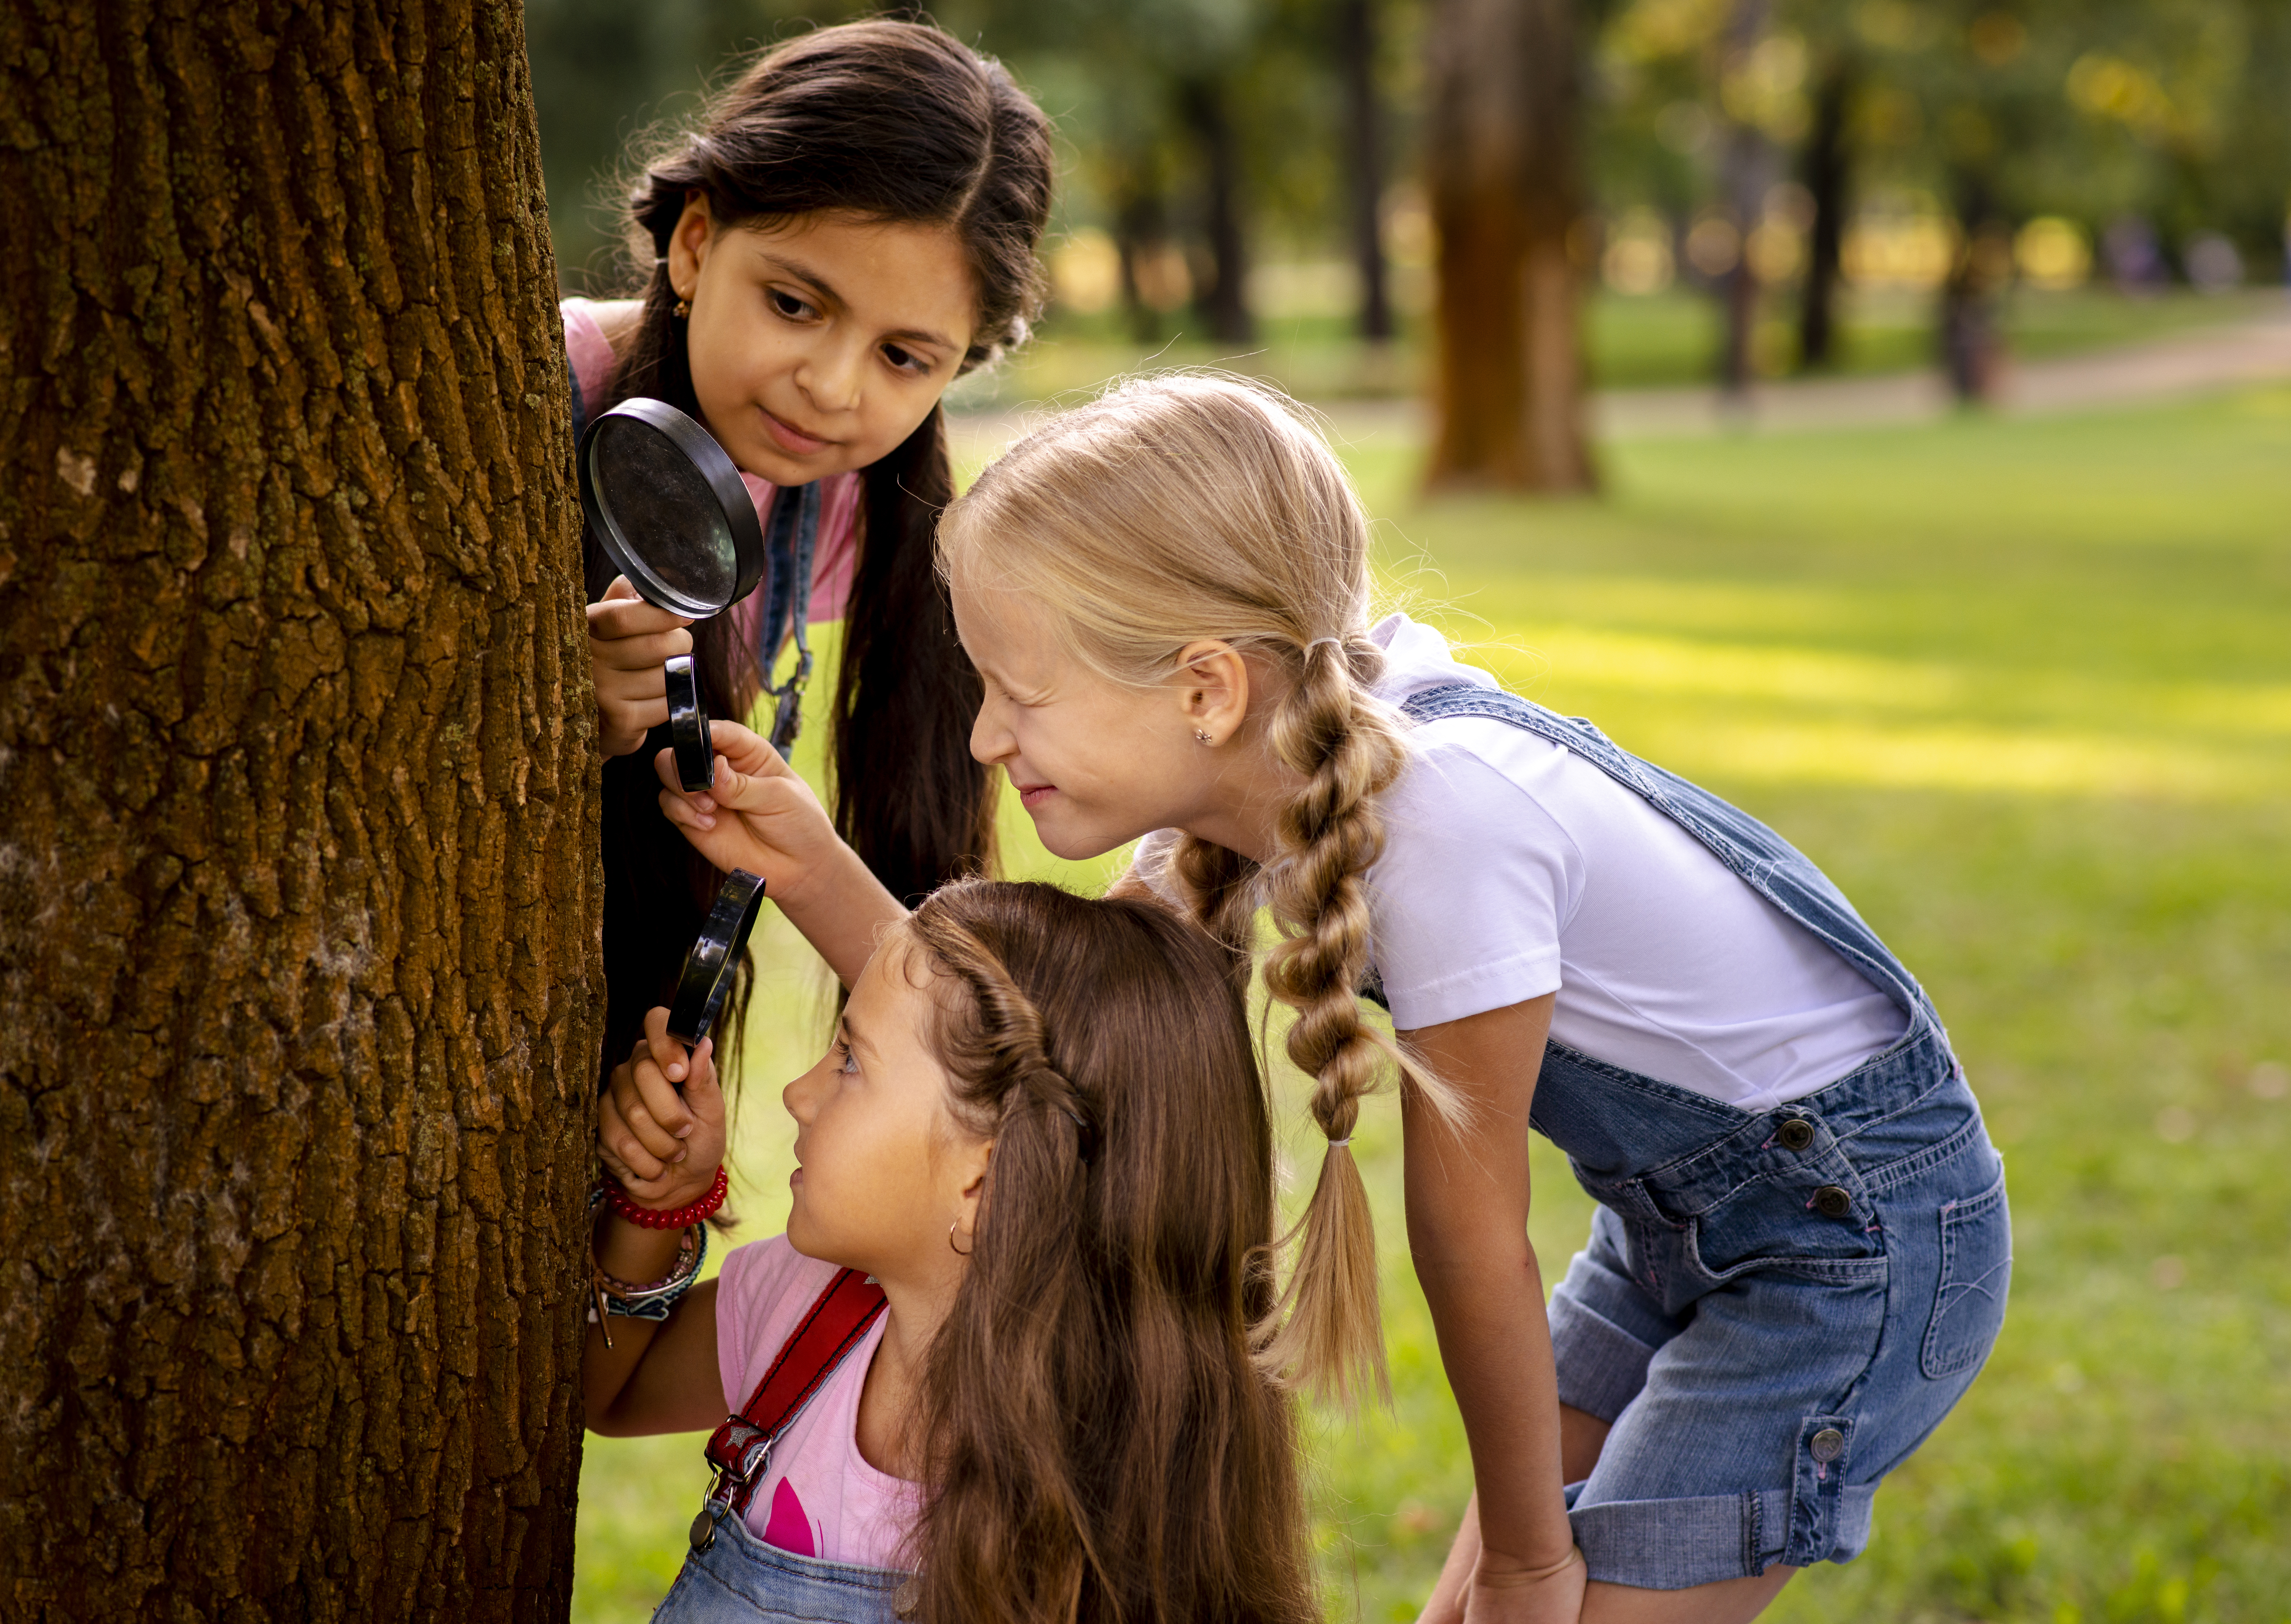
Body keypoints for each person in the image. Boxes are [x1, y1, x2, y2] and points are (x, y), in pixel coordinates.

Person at [659, 374, 2013, 1624]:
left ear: (1203, 688)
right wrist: (807, 861)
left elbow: (1469, 1237)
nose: (984, 739)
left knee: (1581, 1600)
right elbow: (1007, 1058)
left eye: (1019, 695)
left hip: (1851, 1242)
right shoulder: (1273, 766)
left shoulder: (1446, 819)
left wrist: (1533, 1554)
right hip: (1677, 1218)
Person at [581, 879, 1320, 1624]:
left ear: (985, 1176)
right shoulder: (809, 1308)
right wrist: (658, 1205)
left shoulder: (1111, 1497)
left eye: (848, 1062)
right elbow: (610, 1388)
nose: (797, 1094)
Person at [563, 20, 1053, 1073]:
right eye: (795, 304)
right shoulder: (533, 402)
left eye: (904, 357)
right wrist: (559, 708)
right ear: (696, 243)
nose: (833, 389)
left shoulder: (843, 511)